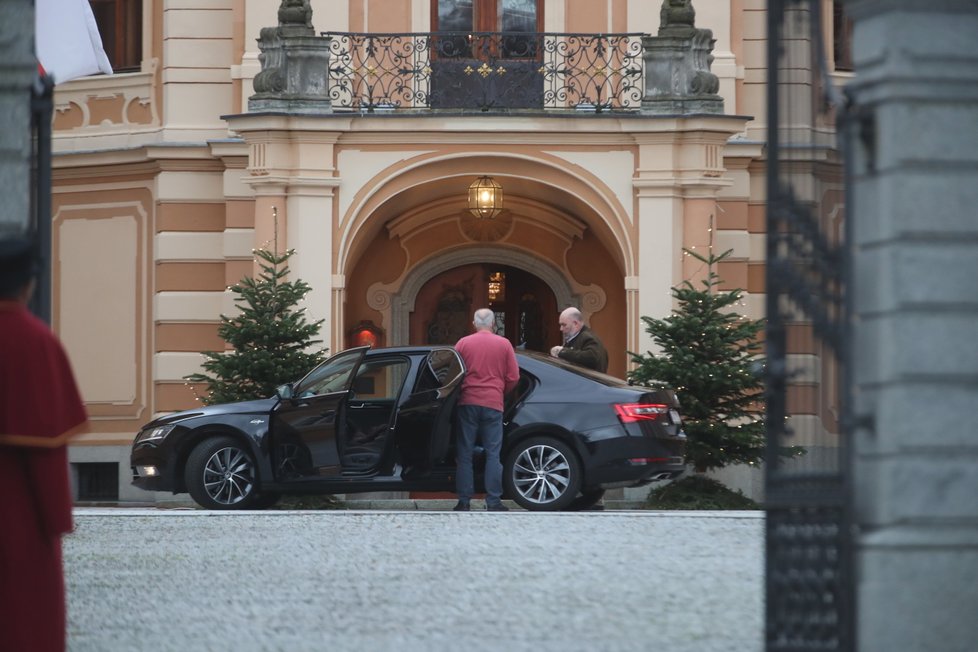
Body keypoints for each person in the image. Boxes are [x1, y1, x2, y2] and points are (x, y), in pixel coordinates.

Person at [0, 235, 89, 652]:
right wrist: (57, 519)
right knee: (23, 622)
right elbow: (46, 450)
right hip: (15, 515)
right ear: (27, 283)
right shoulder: (35, 342)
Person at [453, 308, 520, 512]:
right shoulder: (504, 344)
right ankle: (493, 501)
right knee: (493, 454)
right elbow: (514, 377)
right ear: (493, 324)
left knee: (464, 453)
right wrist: (500, 392)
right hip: (493, 403)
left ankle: (464, 501)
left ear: (474, 323)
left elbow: (452, 374)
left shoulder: (463, 343)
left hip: (468, 402)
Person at [549, 307, 609, 373]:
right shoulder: (577, 337)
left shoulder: (588, 338)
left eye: (564, 325)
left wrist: (562, 352)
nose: (561, 329)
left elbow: (592, 358)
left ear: (575, 323)